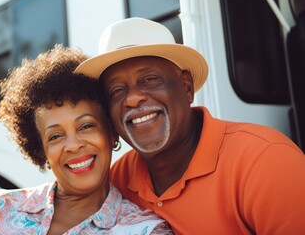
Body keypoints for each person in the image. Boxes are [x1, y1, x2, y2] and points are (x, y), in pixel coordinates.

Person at [75, 17, 305, 234]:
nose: (133, 99)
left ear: (186, 87)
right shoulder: (117, 181)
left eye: (149, 79)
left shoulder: (264, 160)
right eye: (117, 91)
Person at [0, 45, 172, 234]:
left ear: (111, 132)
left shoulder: (145, 230)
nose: (73, 145)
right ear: (41, 149)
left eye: (86, 126)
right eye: (55, 136)